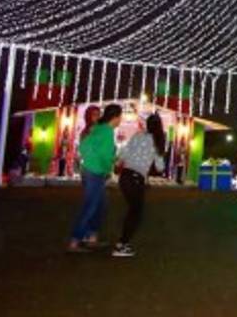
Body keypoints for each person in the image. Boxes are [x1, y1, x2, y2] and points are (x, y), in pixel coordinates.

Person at [67, 104, 120, 253]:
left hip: (92, 171)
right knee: (90, 206)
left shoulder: (99, 129)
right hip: (94, 173)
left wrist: (94, 159)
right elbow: (104, 155)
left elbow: (84, 147)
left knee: (101, 206)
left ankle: (91, 237)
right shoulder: (106, 131)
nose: (120, 120)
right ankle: (75, 241)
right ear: (115, 117)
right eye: (119, 116)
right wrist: (109, 165)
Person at [112, 113, 166, 258]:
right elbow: (160, 167)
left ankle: (123, 242)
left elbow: (123, 153)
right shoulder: (157, 141)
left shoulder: (137, 136)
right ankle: (121, 244)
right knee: (135, 213)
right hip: (136, 179)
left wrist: (117, 165)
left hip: (125, 176)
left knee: (132, 211)